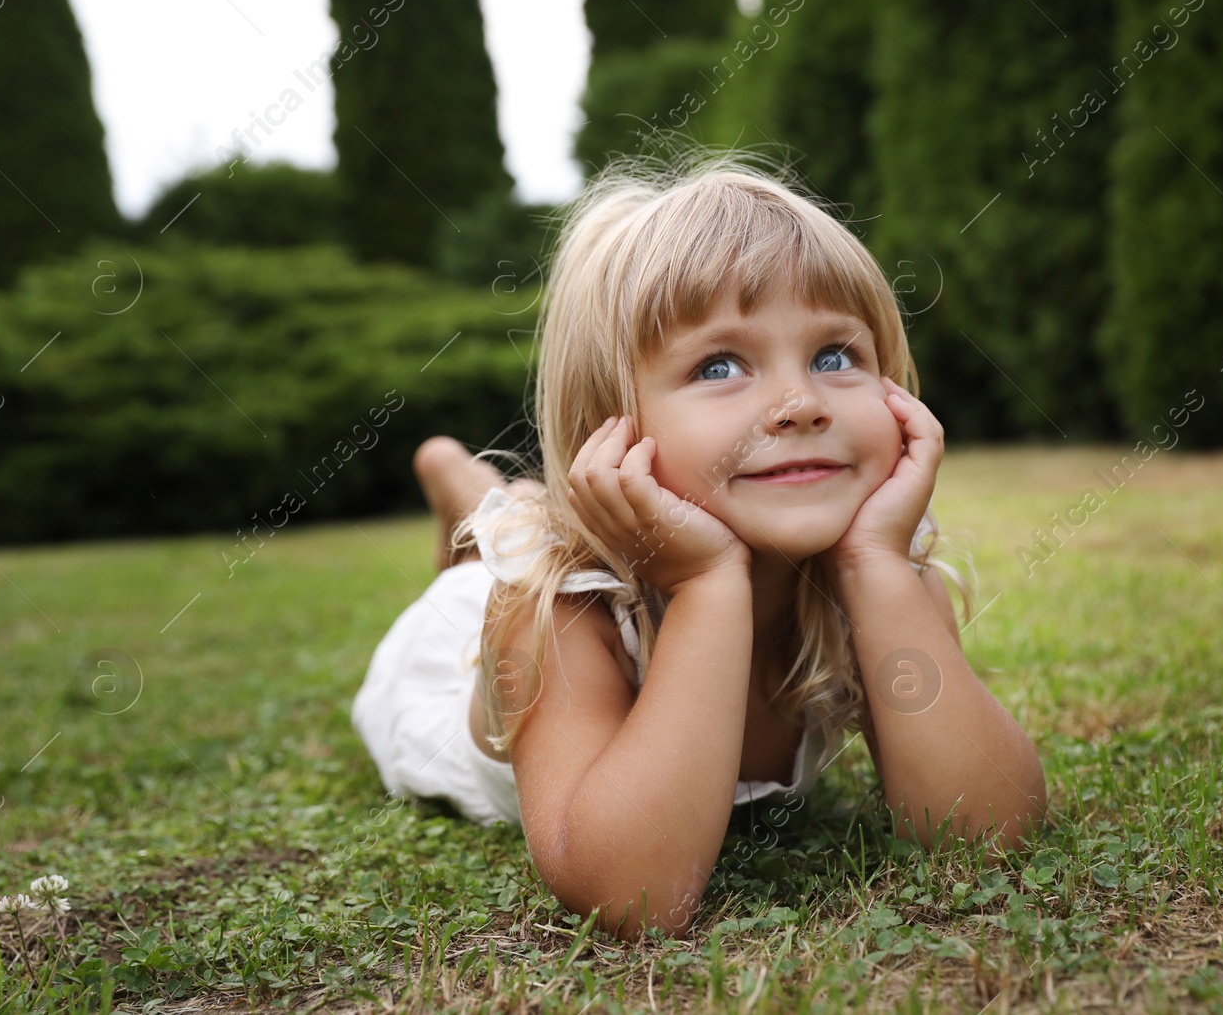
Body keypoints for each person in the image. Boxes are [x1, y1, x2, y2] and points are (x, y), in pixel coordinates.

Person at [351, 150, 1047, 940]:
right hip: (451, 670)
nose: (800, 403)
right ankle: (463, 487)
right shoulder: (555, 611)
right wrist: (710, 584)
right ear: (608, 429)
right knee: (506, 543)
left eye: (834, 356)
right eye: (721, 364)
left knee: (517, 513)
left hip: (612, 546)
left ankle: (490, 496)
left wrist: (876, 567)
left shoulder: (878, 571)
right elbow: (629, 893)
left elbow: (988, 838)